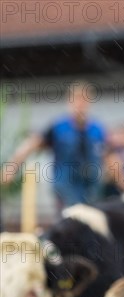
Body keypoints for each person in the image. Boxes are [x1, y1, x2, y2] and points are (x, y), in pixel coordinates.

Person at [2, 81, 106, 213]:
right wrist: (11, 168)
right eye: (77, 99)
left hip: (91, 190)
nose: (80, 104)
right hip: (65, 188)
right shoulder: (59, 127)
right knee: (69, 223)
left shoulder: (97, 129)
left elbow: (107, 154)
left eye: (84, 100)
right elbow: (32, 144)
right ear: (70, 101)